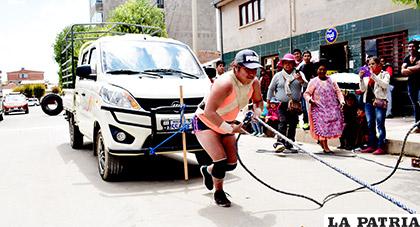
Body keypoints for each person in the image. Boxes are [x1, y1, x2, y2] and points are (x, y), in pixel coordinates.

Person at [193, 49, 263, 207]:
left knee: (231, 164)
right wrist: (230, 129)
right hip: (205, 121)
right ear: (236, 67)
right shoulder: (225, 83)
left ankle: (207, 170)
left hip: (227, 122)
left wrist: (256, 113)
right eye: (248, 69)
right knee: (221, 161)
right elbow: (209, 112)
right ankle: (219, 192)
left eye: (254, 69)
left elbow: (258, 101)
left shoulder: (255, 82)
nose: (252, 73)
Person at [267, 53, 307, 152]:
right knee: (282, 122)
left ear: (293, 64)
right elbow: (271, 89)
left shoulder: (299, 74)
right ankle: (280, 142)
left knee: (293, 124)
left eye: (290, 63)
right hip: (281, 104)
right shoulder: (278, 75)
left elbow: (306, 85)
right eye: (286, 63)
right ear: (283, 64)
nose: (288, 65)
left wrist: (301, 80)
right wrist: (268, 101)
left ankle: (290, 143)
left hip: (295, 104)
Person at [303, 60, 345, 153]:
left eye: (324, 69)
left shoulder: (332, 80)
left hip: (331, 108)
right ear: (317, 70)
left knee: (328, 127)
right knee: (322, 127)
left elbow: (338, 92)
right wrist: (310, 100)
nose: (322, 71)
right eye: (320, 69)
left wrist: (342, 101)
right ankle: (326, 147)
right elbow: (306, 93)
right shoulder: (313, 81)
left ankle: (323, 144)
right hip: (318, 108)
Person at [359, 57, 390, 155]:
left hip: (379, 102)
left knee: (380, 124)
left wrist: (374, 77)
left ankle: (381, 146)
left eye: (373, 64)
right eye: (369, 64)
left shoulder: (385, 74)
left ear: (378, 65)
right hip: (368, 102)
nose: (370, 66)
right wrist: (360, 78)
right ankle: (371, 145)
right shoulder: (367, 76)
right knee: (370, 124)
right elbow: (363, 89)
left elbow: (385, 85)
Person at [401, 40, 420, 133]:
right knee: (415, 105)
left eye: (413, 46)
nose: (411, 48)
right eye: (409, 46)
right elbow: (402, 71)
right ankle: (418, 125)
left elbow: (419, 67)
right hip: (411, 84)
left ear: (417, 47)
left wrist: (408, 68)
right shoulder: (406, 58)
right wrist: (413, 68)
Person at [298, 50, 316, 130]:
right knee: (305, 107)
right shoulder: (300, 67)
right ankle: (306, 122)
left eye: (308, 56)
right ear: (303, 57)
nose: (307, 57)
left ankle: (314, 123)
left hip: (314, 88)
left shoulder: (314, 66)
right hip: (305, 88)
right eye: (305, 56)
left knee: (314, 106)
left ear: (310, 57)